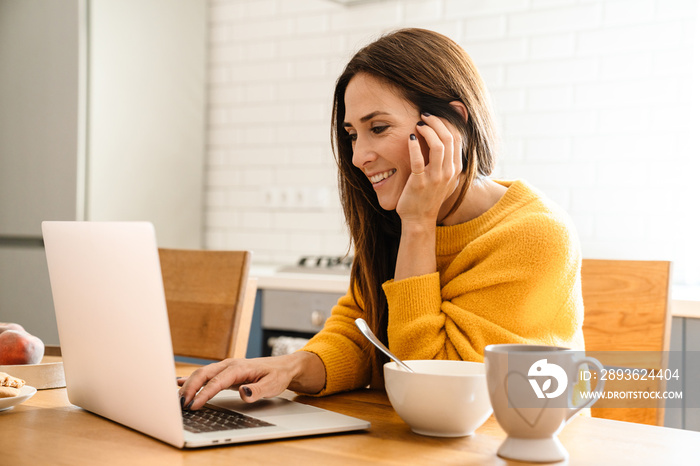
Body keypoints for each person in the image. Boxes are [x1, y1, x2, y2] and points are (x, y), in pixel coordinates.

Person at [179, 28, 584, 410]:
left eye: (378, 127)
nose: (358, 157)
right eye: (353, 134)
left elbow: (433, 386)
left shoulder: (536, 235)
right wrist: (291, 366)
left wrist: (419, 225)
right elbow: (362, 337)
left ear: (452, 126)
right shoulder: (393, 221)